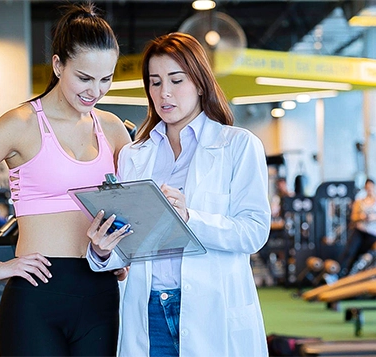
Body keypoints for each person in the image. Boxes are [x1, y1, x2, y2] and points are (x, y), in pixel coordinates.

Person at [0, 3, 131, 356]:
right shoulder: (20, 124)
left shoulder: (112, 128)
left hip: (100, 296)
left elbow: (132, 207)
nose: (95, 91)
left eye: (105, 79)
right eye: (84, 77)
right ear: (58, 64)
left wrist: (120, 256)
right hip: (36, 296)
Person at [85, 32, 272, 357]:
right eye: (155, 82)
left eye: (176, 80)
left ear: (200, 83)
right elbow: (132, 243)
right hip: (148, 309)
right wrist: (102, 252)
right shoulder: (134, 154)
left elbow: (254, 232)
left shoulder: (238, 146)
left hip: (211, 307)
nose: (164, 93)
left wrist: (190, 218)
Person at [338, 178, 376, 276]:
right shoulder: (360, 201)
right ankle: (342, 275)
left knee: (368, 256)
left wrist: (375, 217)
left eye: (371, 187)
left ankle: (364, 275)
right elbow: (353, 217)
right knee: (350, 252)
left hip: (374, 233)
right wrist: (361, 217)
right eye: (367, 187)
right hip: (360, 230)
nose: (369, 189)